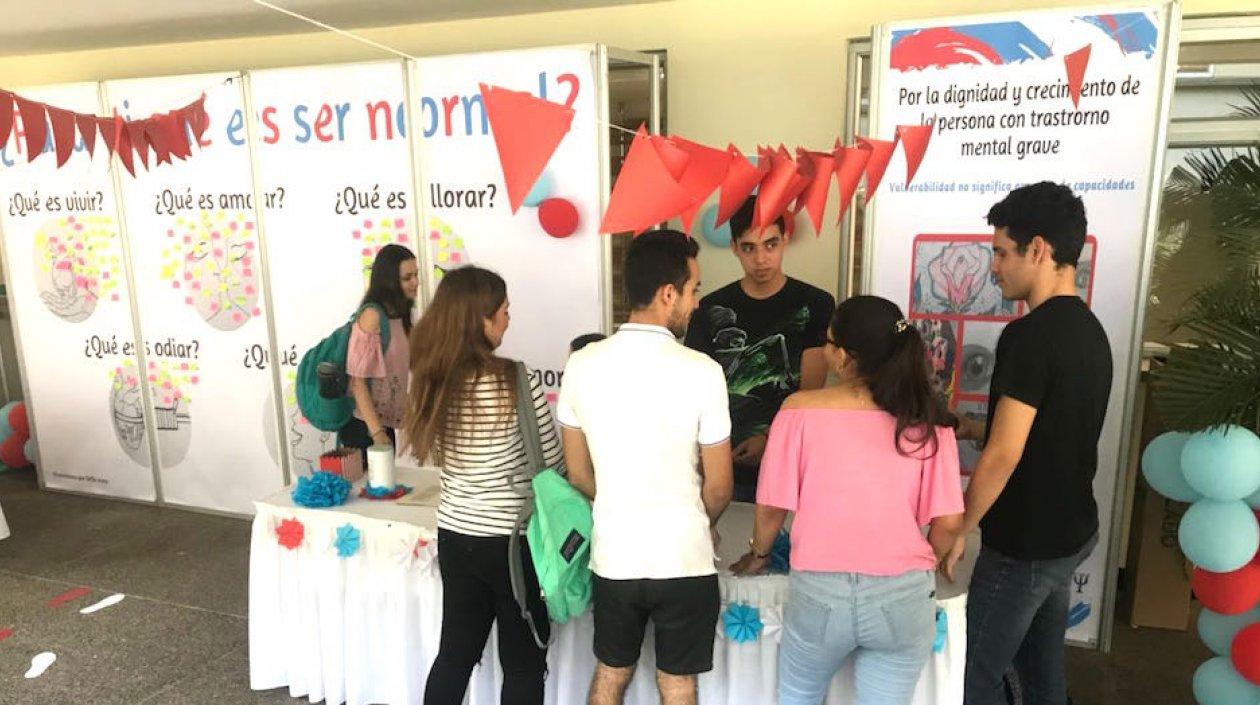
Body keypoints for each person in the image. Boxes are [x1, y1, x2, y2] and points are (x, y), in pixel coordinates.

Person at [732, 295, 964, 705]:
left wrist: (758, 555)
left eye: (828, 342)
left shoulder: (799, 411)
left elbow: (771, 508)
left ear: (844, 357)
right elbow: (947, 523)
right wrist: (914, 562)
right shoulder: (928, 417)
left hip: (820, 596)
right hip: (903, 598)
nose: (824, 350)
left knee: (797, 698)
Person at [941, 182, 1112, 705]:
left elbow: (1005, 455)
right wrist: (973, 428)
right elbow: (1053, 426)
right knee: (1040, 670)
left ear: (1037, 250)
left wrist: (957, 527)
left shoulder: (1028, 337)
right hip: (1070, 531)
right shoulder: (1089, 328)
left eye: (1000, 252)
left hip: (1026, 544)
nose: (994, 267)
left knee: (974, 672)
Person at [557, 229, 733, 705]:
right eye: (693, 290)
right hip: (684, 556)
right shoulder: (703, 371)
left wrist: (622, 500)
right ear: (667, 293)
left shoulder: (582, 364)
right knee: (677, 683)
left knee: (611, 673)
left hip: (615, 552)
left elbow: (578, 475)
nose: (696, 304)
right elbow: (719, 488)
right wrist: (699, 522)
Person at [404, 266, 566, 705]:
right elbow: (550, 464)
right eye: (504, 312)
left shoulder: (431, 380)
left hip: (456, 533)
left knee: (455, 653)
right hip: (511, 542)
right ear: (482, 320)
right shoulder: (516, 379)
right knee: (523, 661)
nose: (508, 320)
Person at [684, 197, 835, 501]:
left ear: (785, 240)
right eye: (749, 248)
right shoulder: (709, 309)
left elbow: (811, 391)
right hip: (722, 457)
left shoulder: (815, 303)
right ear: (735, 248)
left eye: (771, 244)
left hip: (790, 456)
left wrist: (769, 438)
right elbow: (696, 391)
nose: (761, 259)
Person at [340, 244, 418, 462]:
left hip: (384, 427)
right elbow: (357, 382)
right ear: (390, 281)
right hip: (363, 428)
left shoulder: (402, 317)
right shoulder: (372, 315)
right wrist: (376, 432)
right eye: (407, 277)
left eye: (416, 275)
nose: (415, 282)